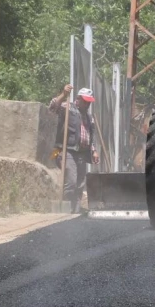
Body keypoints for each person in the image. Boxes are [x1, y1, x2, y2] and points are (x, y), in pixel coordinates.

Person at [49, 84, 98, 213]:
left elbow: (90, 135)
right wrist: (63, 95)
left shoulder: (88, 117)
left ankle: (75, 212)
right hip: (67, 150)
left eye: (89, 102)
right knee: (71, 180)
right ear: (79, 98)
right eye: (86, 101)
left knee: (80, 183)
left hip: (82, 153)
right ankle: (66, 208)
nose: (88, 104)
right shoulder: (68, 107)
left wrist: (94, 150)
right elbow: (53, 107)